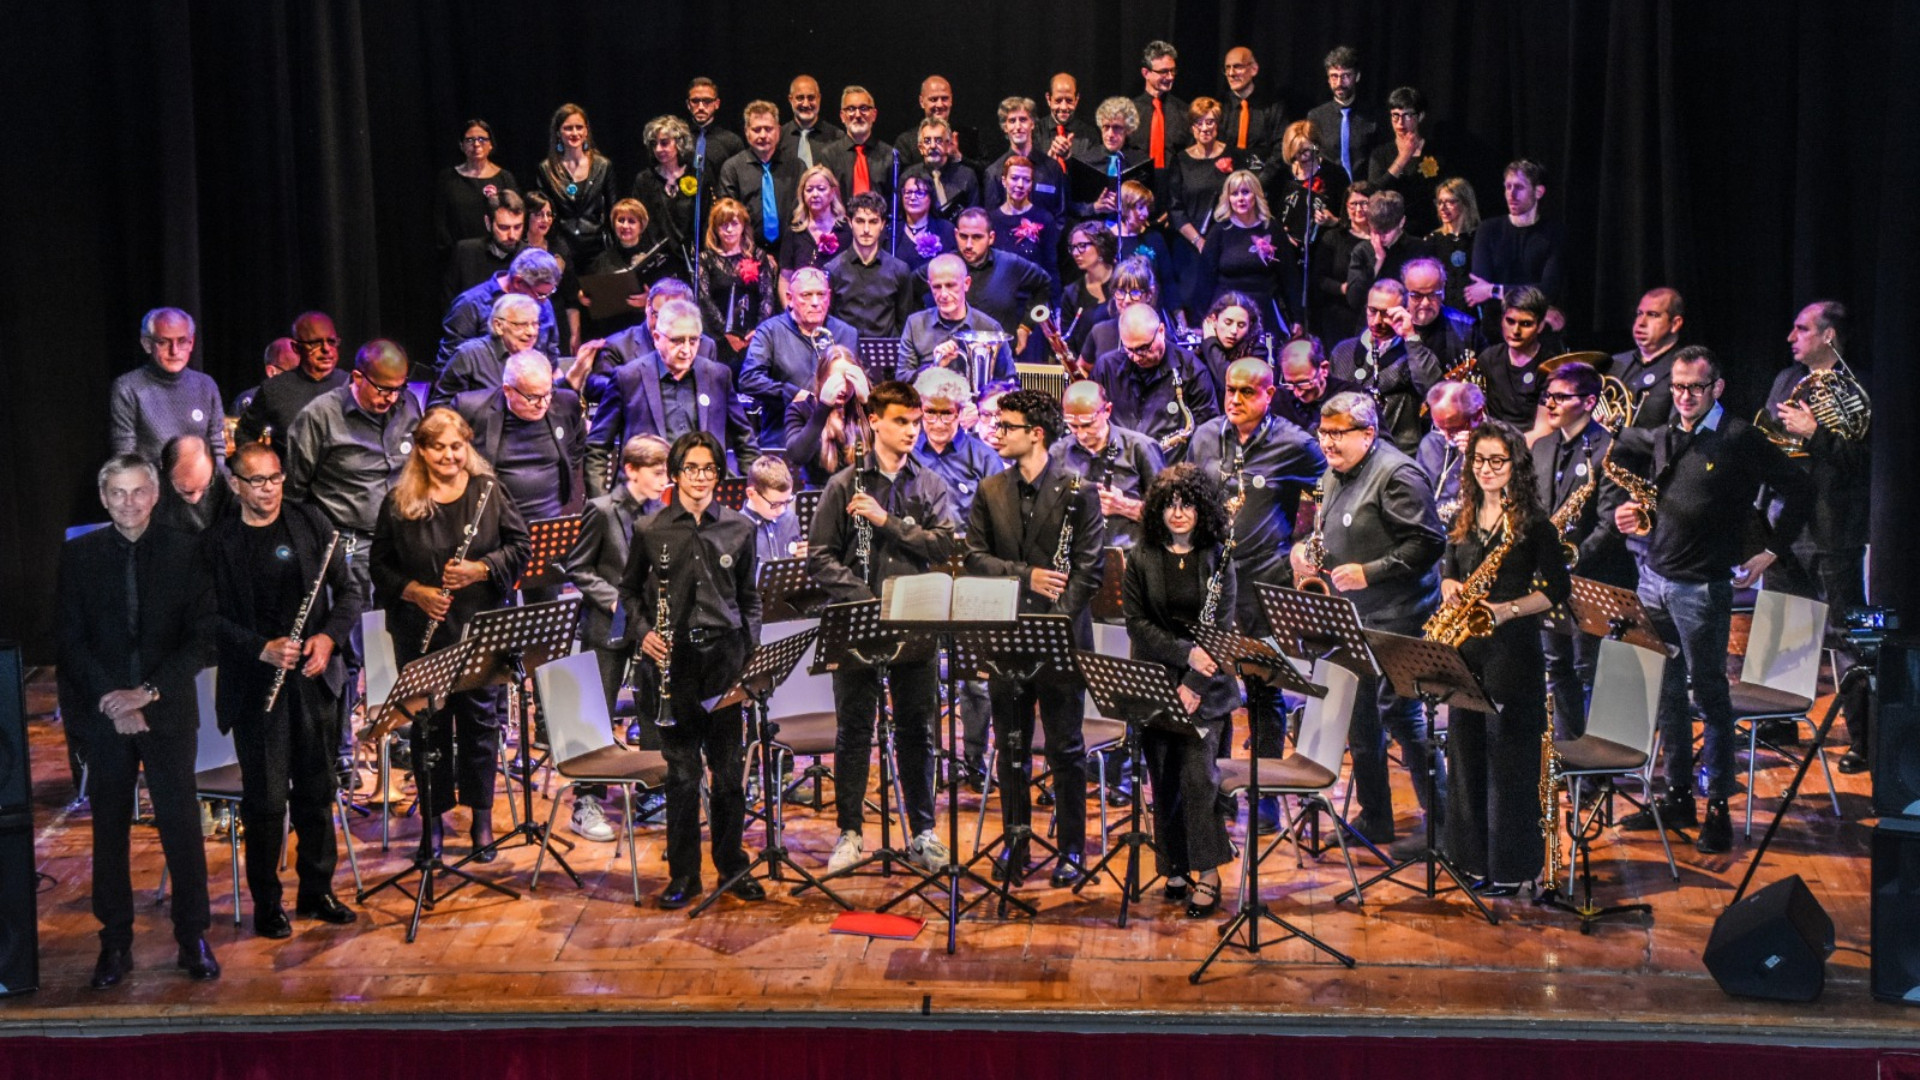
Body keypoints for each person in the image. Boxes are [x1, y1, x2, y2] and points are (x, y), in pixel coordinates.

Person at [1609, 347, 1811, 853]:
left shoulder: (1739, 436)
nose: (1684, 396)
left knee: (1709, 696)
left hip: (1701, 588)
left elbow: (1800, 487)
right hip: (1654, 579)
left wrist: (1771, 550)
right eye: (1677, 386)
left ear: (1716, 388)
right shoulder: (1667, 434)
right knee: (1667, 695)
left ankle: (1717, 806)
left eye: (1695, 387)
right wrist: (1634, 515)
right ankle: (1677, 796)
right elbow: (1671, 501)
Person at [57, 455, 216, 989]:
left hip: (166, 710)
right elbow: (69, 640)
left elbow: (201, 639)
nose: (129, 502)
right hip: (105, 715)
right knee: (108, 830)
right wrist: (114, 701)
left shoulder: (187, 551)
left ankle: (192, 937)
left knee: (181, 826)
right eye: (118, 493)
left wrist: (145, 695)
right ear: (104, 499)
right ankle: (114, 942)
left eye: (138, 491)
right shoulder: (79, 555)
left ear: (155, 495)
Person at [203, 441, 364, 936]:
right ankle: (267, 904)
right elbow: (206, 620)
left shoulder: (310, 521)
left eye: (275, 478)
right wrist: (261, 648)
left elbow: (350, 592)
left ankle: (317, 892)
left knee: (317, 791)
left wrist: (327, 638)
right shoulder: (217, 542)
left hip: (313, 680)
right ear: (235, 484)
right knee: (268, 803)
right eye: (257, 481)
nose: (269, 489)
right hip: (257, 688)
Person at [805, 380, 958, 875]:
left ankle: (923, 831)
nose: (912, 431)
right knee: (854, 729)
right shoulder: (843, 483)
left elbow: (944, 545)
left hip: (915, 620)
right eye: (901, 421)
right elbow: (820, 557)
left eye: (916, 422)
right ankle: (850, 832)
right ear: (874, 422)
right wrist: (866, 599)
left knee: (918, 729)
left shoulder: (929, 484)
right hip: (858, 620)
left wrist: (886, 521)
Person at [372, 408, 529, 863]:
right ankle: (433, 824)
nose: (449, 456)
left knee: (481, 726)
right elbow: (379, 566)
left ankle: (482, 821)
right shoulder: (400, 501)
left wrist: (481, 569)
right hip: (421, 633)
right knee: (429, 729)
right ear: (421, 451)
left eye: (456, 446)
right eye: (438, 447)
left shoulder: (489, 492)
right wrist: (415, 592)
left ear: (467, 446)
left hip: (479, 630)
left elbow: (520, 548)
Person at [1290, 392, 1446, 846]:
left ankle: (1444, 826)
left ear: (1368, 433)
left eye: (1338, 434)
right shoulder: (1333, 473)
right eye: (1323, 433)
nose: (1327, 443)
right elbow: (1323, 530)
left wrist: (1370, 572)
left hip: (1400, 616)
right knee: (1360, 722)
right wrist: (1304, 551)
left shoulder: (1398, 475)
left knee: (1402, 717)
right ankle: (1376, 818)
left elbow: (1428, 544)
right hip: (1353, 616)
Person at [966, 389, 1104, 886]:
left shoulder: (1079, 491)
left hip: (1061, 637)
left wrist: (1054, 623)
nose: (996, 433)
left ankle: (1072, 848)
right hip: (1006, 636)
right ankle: (1016, 842)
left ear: (1036, 434)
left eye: (1006, 426)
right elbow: (974, 557)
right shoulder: (990, 490)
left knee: (1065, 748)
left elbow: (1089, 571)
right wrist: (1026, 575)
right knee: (1011, 748)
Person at [621, 432, 764, 908]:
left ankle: (731, 865)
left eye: (709, 469)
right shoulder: (650, 529)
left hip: (725, 661)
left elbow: (749, 598)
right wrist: (643, 632)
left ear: (718, 475)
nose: (700, 477)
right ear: (676, 474)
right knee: (682, 775)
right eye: (691, 468)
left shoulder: (740, 528)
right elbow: (629, 593)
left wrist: (749, 651)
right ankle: (683, 875)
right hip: (674, 662)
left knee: (728, 774)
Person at [1437, 420, 1570, 896]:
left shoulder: (1533, 525)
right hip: (1466, 650)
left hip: (1512, 653)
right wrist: (1450, 586)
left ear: (1516, 465)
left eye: (1497, 461)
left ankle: (1510, 868)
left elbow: (1557, 589)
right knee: (1466, 755)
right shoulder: (1464, 516)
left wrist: (1506, 610)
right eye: (1479, 460)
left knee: (1507, 763)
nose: (1487, 469)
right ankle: (1471, 859)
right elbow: (1449, 569)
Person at [1187, 357, 1327, 777]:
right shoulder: (1206, 435)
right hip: (1209, 577)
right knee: (1211, 682)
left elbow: (1331, 491)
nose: (1235, 399)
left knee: (1264, 686)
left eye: (1247, 391)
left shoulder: (1296, 444)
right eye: (1230, 389)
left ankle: (1265, 788)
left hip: (1264, 579)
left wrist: (1306, 545)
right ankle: (1215, 781)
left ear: (1270, 394)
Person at [1125, 463, 1239, 916]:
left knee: (1198, 780)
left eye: (1187, 504)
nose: (1178, 513)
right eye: (1170, 505)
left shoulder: (1219, 557)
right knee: (1164, 780)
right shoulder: (1141, 556)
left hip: (1206, 689)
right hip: (1156, 681)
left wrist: (1194, 681)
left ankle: (1208, 873)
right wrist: (1183, 655)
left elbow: (1220, 628)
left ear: (1202, 510)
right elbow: (1137, 623)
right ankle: (1173, 865)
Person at [1762, 301, 1872, 770]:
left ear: (1829, 336)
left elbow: (1863, 461)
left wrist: (1815, 433)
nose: (1791, 337)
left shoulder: (1861, 385)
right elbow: (1769, 438)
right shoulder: (1786, 380)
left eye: (1802, 329)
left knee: (1846, 636)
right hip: (1787, 522)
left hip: (1833, 527)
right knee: (1785, 625)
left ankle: (1864, 739)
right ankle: (1778, 719)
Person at [558, 433, 670, 839]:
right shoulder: (602, 510)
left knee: (652, 709)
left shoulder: (661, 510)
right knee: (597, 712)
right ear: (631, 470)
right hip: (609, 625)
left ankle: (652, 793)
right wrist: (613, 601)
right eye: (657, 473)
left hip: (646, 624)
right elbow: (579, 567)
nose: (664, 481)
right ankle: (586, 800)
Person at [1530, 361, 1632, 738]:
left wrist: (1569, 562)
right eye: (1548, 396)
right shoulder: (1542, 446)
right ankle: (1567, 749)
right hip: (1550, 579)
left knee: (1590, 669)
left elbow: (1609, 526)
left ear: (1589, 402)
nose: (1550, 404)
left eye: (1561, 397)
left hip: (1593, 576)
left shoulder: (1612, 450)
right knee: (1556, 666)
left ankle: (1597, 755)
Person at [283, 341, 425, 609]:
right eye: (383, 389)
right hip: (351, 545)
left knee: (400, 624)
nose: (391, 398)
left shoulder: (409, 405)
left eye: (398, 388)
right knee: (360, 628)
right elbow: (294, 490)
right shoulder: (320, 415)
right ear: (358, 378)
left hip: (403, 539)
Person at [590, 298, 758, 475]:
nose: (686, 350)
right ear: (657, 338)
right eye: (677, 341)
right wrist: (600, 493)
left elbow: (745, 440)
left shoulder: (718, 376)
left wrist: (750, 484)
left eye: (693, 341)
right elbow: (597, 445)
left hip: (705, 487)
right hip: (647, 490)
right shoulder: (628, 377)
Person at [450, 350, 585, 529]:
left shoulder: (567, 404)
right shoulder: (470, 409)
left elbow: (577, 446)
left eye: (548, 393)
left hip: (548, 522)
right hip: (494, 523)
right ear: (508, 390)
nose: (543, 404)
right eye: (532, 397)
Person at [743, 265, 859, 447]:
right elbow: (749, 379)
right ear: (790, 298)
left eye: (821, 295)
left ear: (829, 296)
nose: (815, 302)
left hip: (837, 442)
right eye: (806, 295)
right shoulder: (770, 331)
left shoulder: (847, 333)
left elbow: (860, 387)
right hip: (783, 439)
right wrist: (792, 393)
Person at [1089, 302, 1221, 460]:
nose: (1136, 357)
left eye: (1144, 348)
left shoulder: (1193, 371)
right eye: (1129, 349)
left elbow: (1208, 436)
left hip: (1169, 470)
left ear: (1161, 331)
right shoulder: (1106, 367)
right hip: (1117, 466)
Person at [1328, 278, 1444, 452]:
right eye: (1372, 311)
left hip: (1397, 452)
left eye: (1386, 314)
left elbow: (1433, 391)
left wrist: (1410, 337)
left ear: (1404, 312)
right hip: (1348, 451)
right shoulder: (1343, 351)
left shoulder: (1415, 353)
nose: (1377, 321)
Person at [1054, 379, 1164, 550]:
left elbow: (1167, 515)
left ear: (1107, 411)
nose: (1081, 435)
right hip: (1075, 555)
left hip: (1129, 556)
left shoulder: (1141, 448)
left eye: (1088, 425)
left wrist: (1124, 506)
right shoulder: (1057, 452)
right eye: (1073, 426)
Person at [110, 307, 224, 464]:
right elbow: (125, 457)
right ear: (147, 344)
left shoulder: (206, 385)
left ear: (191, 343)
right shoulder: (127, 387)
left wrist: (218, 476)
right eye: (163, 342)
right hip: (151, 478)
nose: (174, 351)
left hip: (202, 479)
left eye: (182, 341)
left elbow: (217, 445)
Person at [1268, 122, 1350, 338]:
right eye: (1296, 153)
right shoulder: (1281, 175)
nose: (1302, 158)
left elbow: (1350, 218)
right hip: (1288, 254)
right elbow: (1268, 213)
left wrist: (1333, 221)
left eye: (1306, 151)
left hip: (1322, 253)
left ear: (1317, 146)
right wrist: (1282, 235)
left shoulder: (1335, 174)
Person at [1465, 161, 1565, 332]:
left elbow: (1548, 290)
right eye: (1508, 187)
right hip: (1497, 327)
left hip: (1537, 327)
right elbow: (1478, 290)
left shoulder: (1554, 233)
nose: (1511, 194)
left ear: (1538, 192)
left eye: (1519, 187)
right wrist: (1538, 306)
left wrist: (1494, 290)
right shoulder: (1488, 229)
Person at [436, 247, 562, 377]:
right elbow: (448, 366)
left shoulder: (543, 303)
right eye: (540, 294)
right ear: (518, 282)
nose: (544, 300)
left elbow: (551, 359)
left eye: (549, 293)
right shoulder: (471, 304)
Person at [896, 253, 1015, 389]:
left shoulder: (990, 327)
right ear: (929, 286)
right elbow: (902, 379)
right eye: (937, 287)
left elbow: (1011, 382)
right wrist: (934, 367)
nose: (943, 294)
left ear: (966, 284)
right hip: (927, 402)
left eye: (950, 285)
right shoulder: (915, 324)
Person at [238, 311, 349, 446]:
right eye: (315, 343)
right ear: (296, 348)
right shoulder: (274, 389)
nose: (326, 349)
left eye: (331, 342)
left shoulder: (351, 385)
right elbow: (245, 434)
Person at [952, 207, 1052, 352]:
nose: (968, 244)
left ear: (991, 238)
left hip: (1001, 357)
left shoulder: (1010, 264)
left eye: (977, 237)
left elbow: (1045, 283)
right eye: (963, 236)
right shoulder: (945, 266)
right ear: (956, 234)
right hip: (956, 356)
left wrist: (1026, 326)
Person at [696, 197, 779, 368]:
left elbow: (767, 296)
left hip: (753, 336)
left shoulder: (758, 256)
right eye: (723, 225)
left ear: (743, 226)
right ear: (715, 228)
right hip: (719, 338)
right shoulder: (706, 259)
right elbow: (704, 299)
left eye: (734, 223)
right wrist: (726, 333)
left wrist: (758, 330)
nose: (729, 230)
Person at [1196, 171, 1284, 332]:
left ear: (1256, 195)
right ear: (1228, 198)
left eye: (1245, 192)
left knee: (1267, 347)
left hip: (1264, 313)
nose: (1240, 198)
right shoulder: (1219, 231)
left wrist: (1297, 318)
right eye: (1234, 194)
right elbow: (1205, 279)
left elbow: (1289, 275)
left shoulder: (1272, 228)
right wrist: (1200, 320)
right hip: (1226, 312)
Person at [431, 292, 549, 410]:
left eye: (535, 324)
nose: (531, 332)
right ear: (498, 326)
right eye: (521, 325)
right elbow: (440, 407)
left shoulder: (538, 359)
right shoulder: (469, 356)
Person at [537, 103, 616, 269]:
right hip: (562, 252)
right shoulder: (546, 169)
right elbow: (543, 213)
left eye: (579, 127)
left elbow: (613, 210)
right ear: (558, 133)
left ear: (586, 131)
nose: (574, 133)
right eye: (568, 128)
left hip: (598, 250)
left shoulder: (603, 166)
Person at [825, 192, 915, 336]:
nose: (866, 229)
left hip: (887, 347)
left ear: (883, 224)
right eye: (860, 221)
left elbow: (904, 323)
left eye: (873, 222)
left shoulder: (899, 270)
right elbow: (827, 321)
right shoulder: (833, 270)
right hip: (844, 347)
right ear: (850, 222)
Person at [782, 344, 871, 490]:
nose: (843, 388)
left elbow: (886, 449)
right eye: (836, 380)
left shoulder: (864, 410)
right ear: (820, 378)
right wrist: (823, 407)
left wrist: (867, 404)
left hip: (861, 493)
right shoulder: (801, 409)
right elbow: (798, 456)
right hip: (820, 494)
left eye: (849, 381)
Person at [580, 199, 672, 337]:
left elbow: (669, 297)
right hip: (612, 331)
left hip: (645, 330)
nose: (625, 225)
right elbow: (589, 293)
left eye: (631, 221)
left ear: (641, 226)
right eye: (621, 220)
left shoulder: (654, 257)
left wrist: (650, 300)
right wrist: (583, 296)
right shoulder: (601, 260)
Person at [718, 100, 801, 252]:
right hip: (746, 252)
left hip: (792, 250)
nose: (763, 135)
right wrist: (754, 253)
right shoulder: (732, 169)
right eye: (756, 130)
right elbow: (727, 217)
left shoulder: (797, 166)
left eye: (768, 129)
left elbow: (804, 211)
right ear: (746, 132)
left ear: (778, 131)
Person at [1472, 284, 1554, 434]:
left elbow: (1544, 430)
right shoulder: (1488, 359)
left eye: (1526, 324)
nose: (1516, 331)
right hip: (1492, 439)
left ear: (1541, 326)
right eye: (1510, 321)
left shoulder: (1550, 367)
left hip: (1532, 443)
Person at [1367, 88, 1447, 236]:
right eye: (1395, 116)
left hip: (1429, 230)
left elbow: (1445, 192)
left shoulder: (1437, 152)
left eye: (1407, 116)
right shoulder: (1380, 154)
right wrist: (1404, 157)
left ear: (1420, 116)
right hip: (1391, 231)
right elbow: (1374, 193)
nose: (1400, 123)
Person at [435, 119, 519, 260]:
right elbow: (440, 221)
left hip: (499, 256)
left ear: (491, 144)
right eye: (470, 140)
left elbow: (515, 216)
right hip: (460, 256)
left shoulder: (505, 178)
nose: (476, 144)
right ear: (461, 145)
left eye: (482, 139)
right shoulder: (447, 179)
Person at [1608, 287, 1687, 431]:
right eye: (1639, 314)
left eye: (1653, 315)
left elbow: (1675, 433)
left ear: (1675, 324)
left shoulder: (1686, 370)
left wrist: (1618, 435)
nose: (1641, 322)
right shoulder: (1616, 363)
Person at [632, 115, 699, 280]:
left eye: (664, 143)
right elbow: (639, 222)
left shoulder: (697, 175)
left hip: (691, 261)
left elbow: (705, 220)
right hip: (658, 263)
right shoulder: (645, 180)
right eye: (654, 144)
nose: (658, 149)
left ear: (679, 143)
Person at [1168, 97, 1237, 258]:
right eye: (1198, 123)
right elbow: (1175, 208)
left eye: (1210, 122)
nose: (1204, 128)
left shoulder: (1233, 154)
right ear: (1192, 127)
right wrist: (1199, 241)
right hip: (1191, 243)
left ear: (1217, 124)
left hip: (1227, 240)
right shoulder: (1180, 160)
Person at [1345, 191, 1433, 317]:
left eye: (1386, 232)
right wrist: (1378, 260)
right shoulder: (1362, 251)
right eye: (1375, 231)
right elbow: (1354, 300)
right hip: (1372, 323)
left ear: (1401, 222)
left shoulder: (1420, 249)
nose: (1380, 237)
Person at [984, 98, 1068, 223]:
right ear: (1005, 127)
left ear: (1032, 123)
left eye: (1023, 120)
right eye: (1012, 121)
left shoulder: (1053, 168)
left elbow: (1061, 215)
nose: (1018, 126)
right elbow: (991, 219)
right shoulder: (994, 172)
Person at [985, 155, 1061, 291]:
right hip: (1000, 294)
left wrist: (1055, 300)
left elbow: (1051, 267)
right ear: (1004, 181)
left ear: (1031, 185)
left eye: (1026, 180)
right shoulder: (991, 220)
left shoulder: (1044, 219)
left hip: (1033, 295)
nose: (1020, 185)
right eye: (1014, 178)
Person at [1416, 380, 1487, 526]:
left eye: (1454, 429)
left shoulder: (1504, 442)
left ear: (1478, 415)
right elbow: (1419, 499)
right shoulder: (1431, 443)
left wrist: (1478, 457)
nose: (1447, 437)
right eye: (1440, 427)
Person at [1306, 46, 1380, 185]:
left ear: (1357, 76)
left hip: (1366, 190)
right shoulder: (1316, 116)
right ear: (1328, 79)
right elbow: (1312, 155)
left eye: (1346, 76)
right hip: (1328, 189)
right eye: (1334, 76)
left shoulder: (1373, 115)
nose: (1339, 83)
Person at [1070, 98, 1151, 223]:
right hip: (1093, 227)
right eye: (1106, 127)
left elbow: (1149, 205)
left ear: (1128, 129)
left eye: (1117, 128)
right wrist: (1094, 207)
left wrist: (1126, 206)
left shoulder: (1140, 162)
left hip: (1128, 227)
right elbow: (1071, 206)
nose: (1110, 134)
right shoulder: (1085, 160)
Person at [443, 190, 526, 306]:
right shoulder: (465, 253)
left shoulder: (531, 258)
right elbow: (449, 304)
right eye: (503, 228)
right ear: (488, 223)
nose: (512, 235)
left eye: (517, 227)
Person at [778, 165, 854, 290]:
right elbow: (785, 278)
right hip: (804, 300)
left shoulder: (847, 230)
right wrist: (788, 302)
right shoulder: (794, 232)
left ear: (832, 192)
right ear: (802, 194)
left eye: (821, 189)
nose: (815, 194)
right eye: (809, 190)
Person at [1402, 256, 1482, 370]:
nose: (1425, 303)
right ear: (1406, 294)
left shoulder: (1466, 328)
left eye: (1432, 295)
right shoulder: (1392, 327)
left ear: (1443, 291)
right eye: (1417, 296)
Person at [1271, 334, 1359, 435]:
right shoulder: (1277, 400)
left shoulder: (1352, 398)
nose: (1298, 393)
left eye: (1304, 382)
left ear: (1324, 369)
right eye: (1290, 383)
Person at [685, 77, 746, 217]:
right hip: (684, 212)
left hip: (720, 214)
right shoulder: (678, 139)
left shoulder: (731, 141)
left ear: (717, 104)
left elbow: (740, 183)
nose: (701, 107)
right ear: (688, 104)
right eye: (695, 101)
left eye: (707, 101)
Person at [826, 86, 899, 202]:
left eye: (863, 108)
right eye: (851, 109)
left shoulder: (890, 155)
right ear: (842, 116)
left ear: (874, 115)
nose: (858, 115)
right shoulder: (829, 156)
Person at [892, 75, 982, 168]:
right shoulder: (906, 142)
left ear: (951, 100)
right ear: (921, 101)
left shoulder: (970, 137)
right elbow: (901, 175)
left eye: (945, 98)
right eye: (933, 99)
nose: (939, 104)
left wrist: (958, 157)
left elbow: (984, 172)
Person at [152, 434, 233, 535]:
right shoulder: (150, 488)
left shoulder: (225, 482)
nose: (196, 499)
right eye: (187, 492)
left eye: (205, 487)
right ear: (166, 473)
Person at [902, 117, 980, 222]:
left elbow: (974, 218)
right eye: (927, 141)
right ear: (921, 148)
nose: (933, 146)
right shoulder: (908, 178)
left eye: (938, 140)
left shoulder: (967, 176)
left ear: (948, 145)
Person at [1132, 40, 1192, 174]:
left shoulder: (1184, 111)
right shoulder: (1129, 112)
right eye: (1164, 71)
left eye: (1173, 71)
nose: (1170, 77)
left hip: (1174, 182)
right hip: (1138, 182)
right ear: (1146, 73)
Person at [1219, 47, 1284, 163]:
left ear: (1254, 69)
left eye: (1237, 66)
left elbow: (1281, 146)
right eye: (1227, 68)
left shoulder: (1273, 107)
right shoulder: (1219, 106)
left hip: (1262, 171)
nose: (1231, 73)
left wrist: (1264, 174)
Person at [1428, 178, 1480, 311]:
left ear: (1465, 203)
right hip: (1443, 312)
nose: (1442, 208)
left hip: (1474, 311)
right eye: (1439, 202)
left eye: (1450, 202)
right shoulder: (1433, 240)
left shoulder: (1479, 238)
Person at [742, 456, 804, 566]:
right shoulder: (737, 528)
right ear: (751, 494)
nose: (781, 511)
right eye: (775, 504)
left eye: (787, 501)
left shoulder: (791, 519)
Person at [894, 171, 957, 276]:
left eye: (919, 193)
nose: (913, 197)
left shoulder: (946, 229)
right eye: (908, 192)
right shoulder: (892, 231)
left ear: (930, 198)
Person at [779, 74, 848, 168]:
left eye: (811, 98)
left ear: (819, 98)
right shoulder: (779, 137)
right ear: (790, 100)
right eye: (800, 98)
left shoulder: (836, 137)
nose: (806, 104)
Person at [1060, 223, 1118, 336]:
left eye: (1082, 245)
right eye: (1073, 248)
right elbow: (1068, 338)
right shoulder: (1072, 293)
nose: (1075, 253)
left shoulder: (1124, 280)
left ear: (1100, 246)